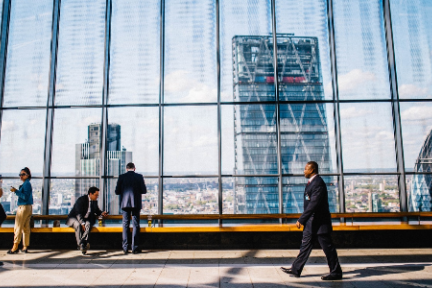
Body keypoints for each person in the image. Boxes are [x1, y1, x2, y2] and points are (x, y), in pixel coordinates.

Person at [281, 161, 343, 280]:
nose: (304, 171)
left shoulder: (318, 183)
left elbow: (313, 204)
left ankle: (336, 272)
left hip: (319, 223)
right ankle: (296, 269)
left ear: (312, 170)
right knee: (305, 246)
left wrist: (301, 219)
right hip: (312, 223)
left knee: (328, 248)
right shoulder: (312, 183)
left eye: (306, 169)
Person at [115, 162, 147, 254]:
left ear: (126, 168)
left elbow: (117, 191)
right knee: (136, 225)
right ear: (134, 168)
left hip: (125, 204)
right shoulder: (139, 176)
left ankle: (125, 248)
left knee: (125, 225)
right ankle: (135, 247)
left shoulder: (121, 177)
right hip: (135, 204)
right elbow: (143, 190)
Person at [66, 186, 108, 255]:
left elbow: (97, 211)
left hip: (85, 219)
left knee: (88, 224)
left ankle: (82, 243)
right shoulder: (81, 200)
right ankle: (82, 245)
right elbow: (78, 213)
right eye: (96, 195)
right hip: (74, 218)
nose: (97, 197)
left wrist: (102, 213)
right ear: (90, 194)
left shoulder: (94, 202)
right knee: (78, 225)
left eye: (98, 195)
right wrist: (82, 223)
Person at [8, 167, 33, 254]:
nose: (21, 176)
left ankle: (15, 247)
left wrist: (16, 191)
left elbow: (25, 196)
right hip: (28, 207)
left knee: (18, 227)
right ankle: (25, 246)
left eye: (23, 174)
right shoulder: (27, 184)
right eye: (20, 174)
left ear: (28, 175)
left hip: (23, 207)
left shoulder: (26, 184)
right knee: (26, 228)